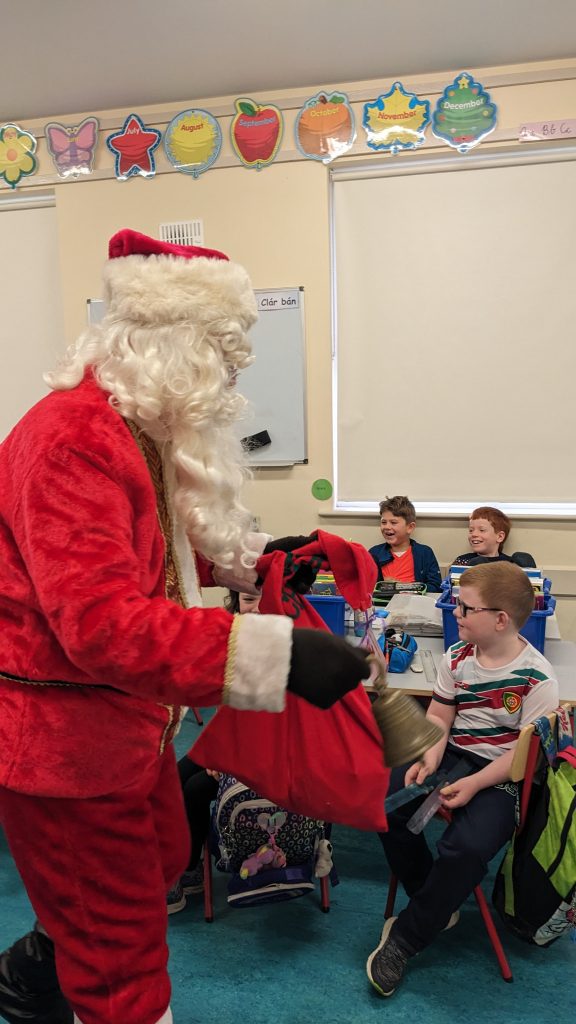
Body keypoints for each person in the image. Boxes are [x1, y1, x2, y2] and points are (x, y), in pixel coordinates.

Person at [0, 229, 370, 1024]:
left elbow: (145, 553)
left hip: (128, 726)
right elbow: (102, 623)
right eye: (224, 355)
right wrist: (277, 656)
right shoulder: (72, 439)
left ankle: (38, 964)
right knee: (121, 956)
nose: (234, 377)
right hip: (65, 748)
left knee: (165, 852)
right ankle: (64, 968)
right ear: (174, 349)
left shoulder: (136, 430)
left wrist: (255, 563)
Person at [367, 561, 558, 997]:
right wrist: (430, 756)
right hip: (454, 756)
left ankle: (407, 938)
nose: (455, 612)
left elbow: (520, 757)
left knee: (466, 849)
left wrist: (474, 785)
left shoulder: (537, 677)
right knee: (385, 806)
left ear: (500, 619)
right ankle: (436, 901)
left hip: (503, 774)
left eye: (466, 607)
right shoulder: (456, 657)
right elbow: (439, 717)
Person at [167, 589, 262, 914]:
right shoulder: (237, 643)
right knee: (174, 777)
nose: (256, 607)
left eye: (264, 597)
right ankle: (183, 862)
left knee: (195, 790)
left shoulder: (285, 646)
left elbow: (276, 726)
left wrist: (230, 759)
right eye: (249, 599)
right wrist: (220, 750)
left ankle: (189, 867)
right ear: (237, 602)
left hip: (267, 755)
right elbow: (229, 712)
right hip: (235, 742)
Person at [369, 495, 441, 592]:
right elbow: (365, 586)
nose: (387, 527)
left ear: (410, 527)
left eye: (393, 522)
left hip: (414, 601)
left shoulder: (425, 553)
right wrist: (382, 586)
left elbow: (436, 587)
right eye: (384, 522)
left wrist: (402, 587)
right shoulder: (374, 553)